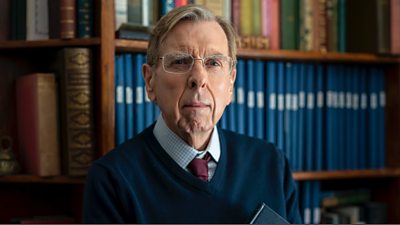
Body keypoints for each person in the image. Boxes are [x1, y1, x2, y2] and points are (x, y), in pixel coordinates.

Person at [83, 4, 302, 224]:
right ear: (150, 81)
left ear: (231, 84)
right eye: (180, 61)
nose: (198, 78)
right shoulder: (111, 180)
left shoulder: (271, 163)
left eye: (213, 63)